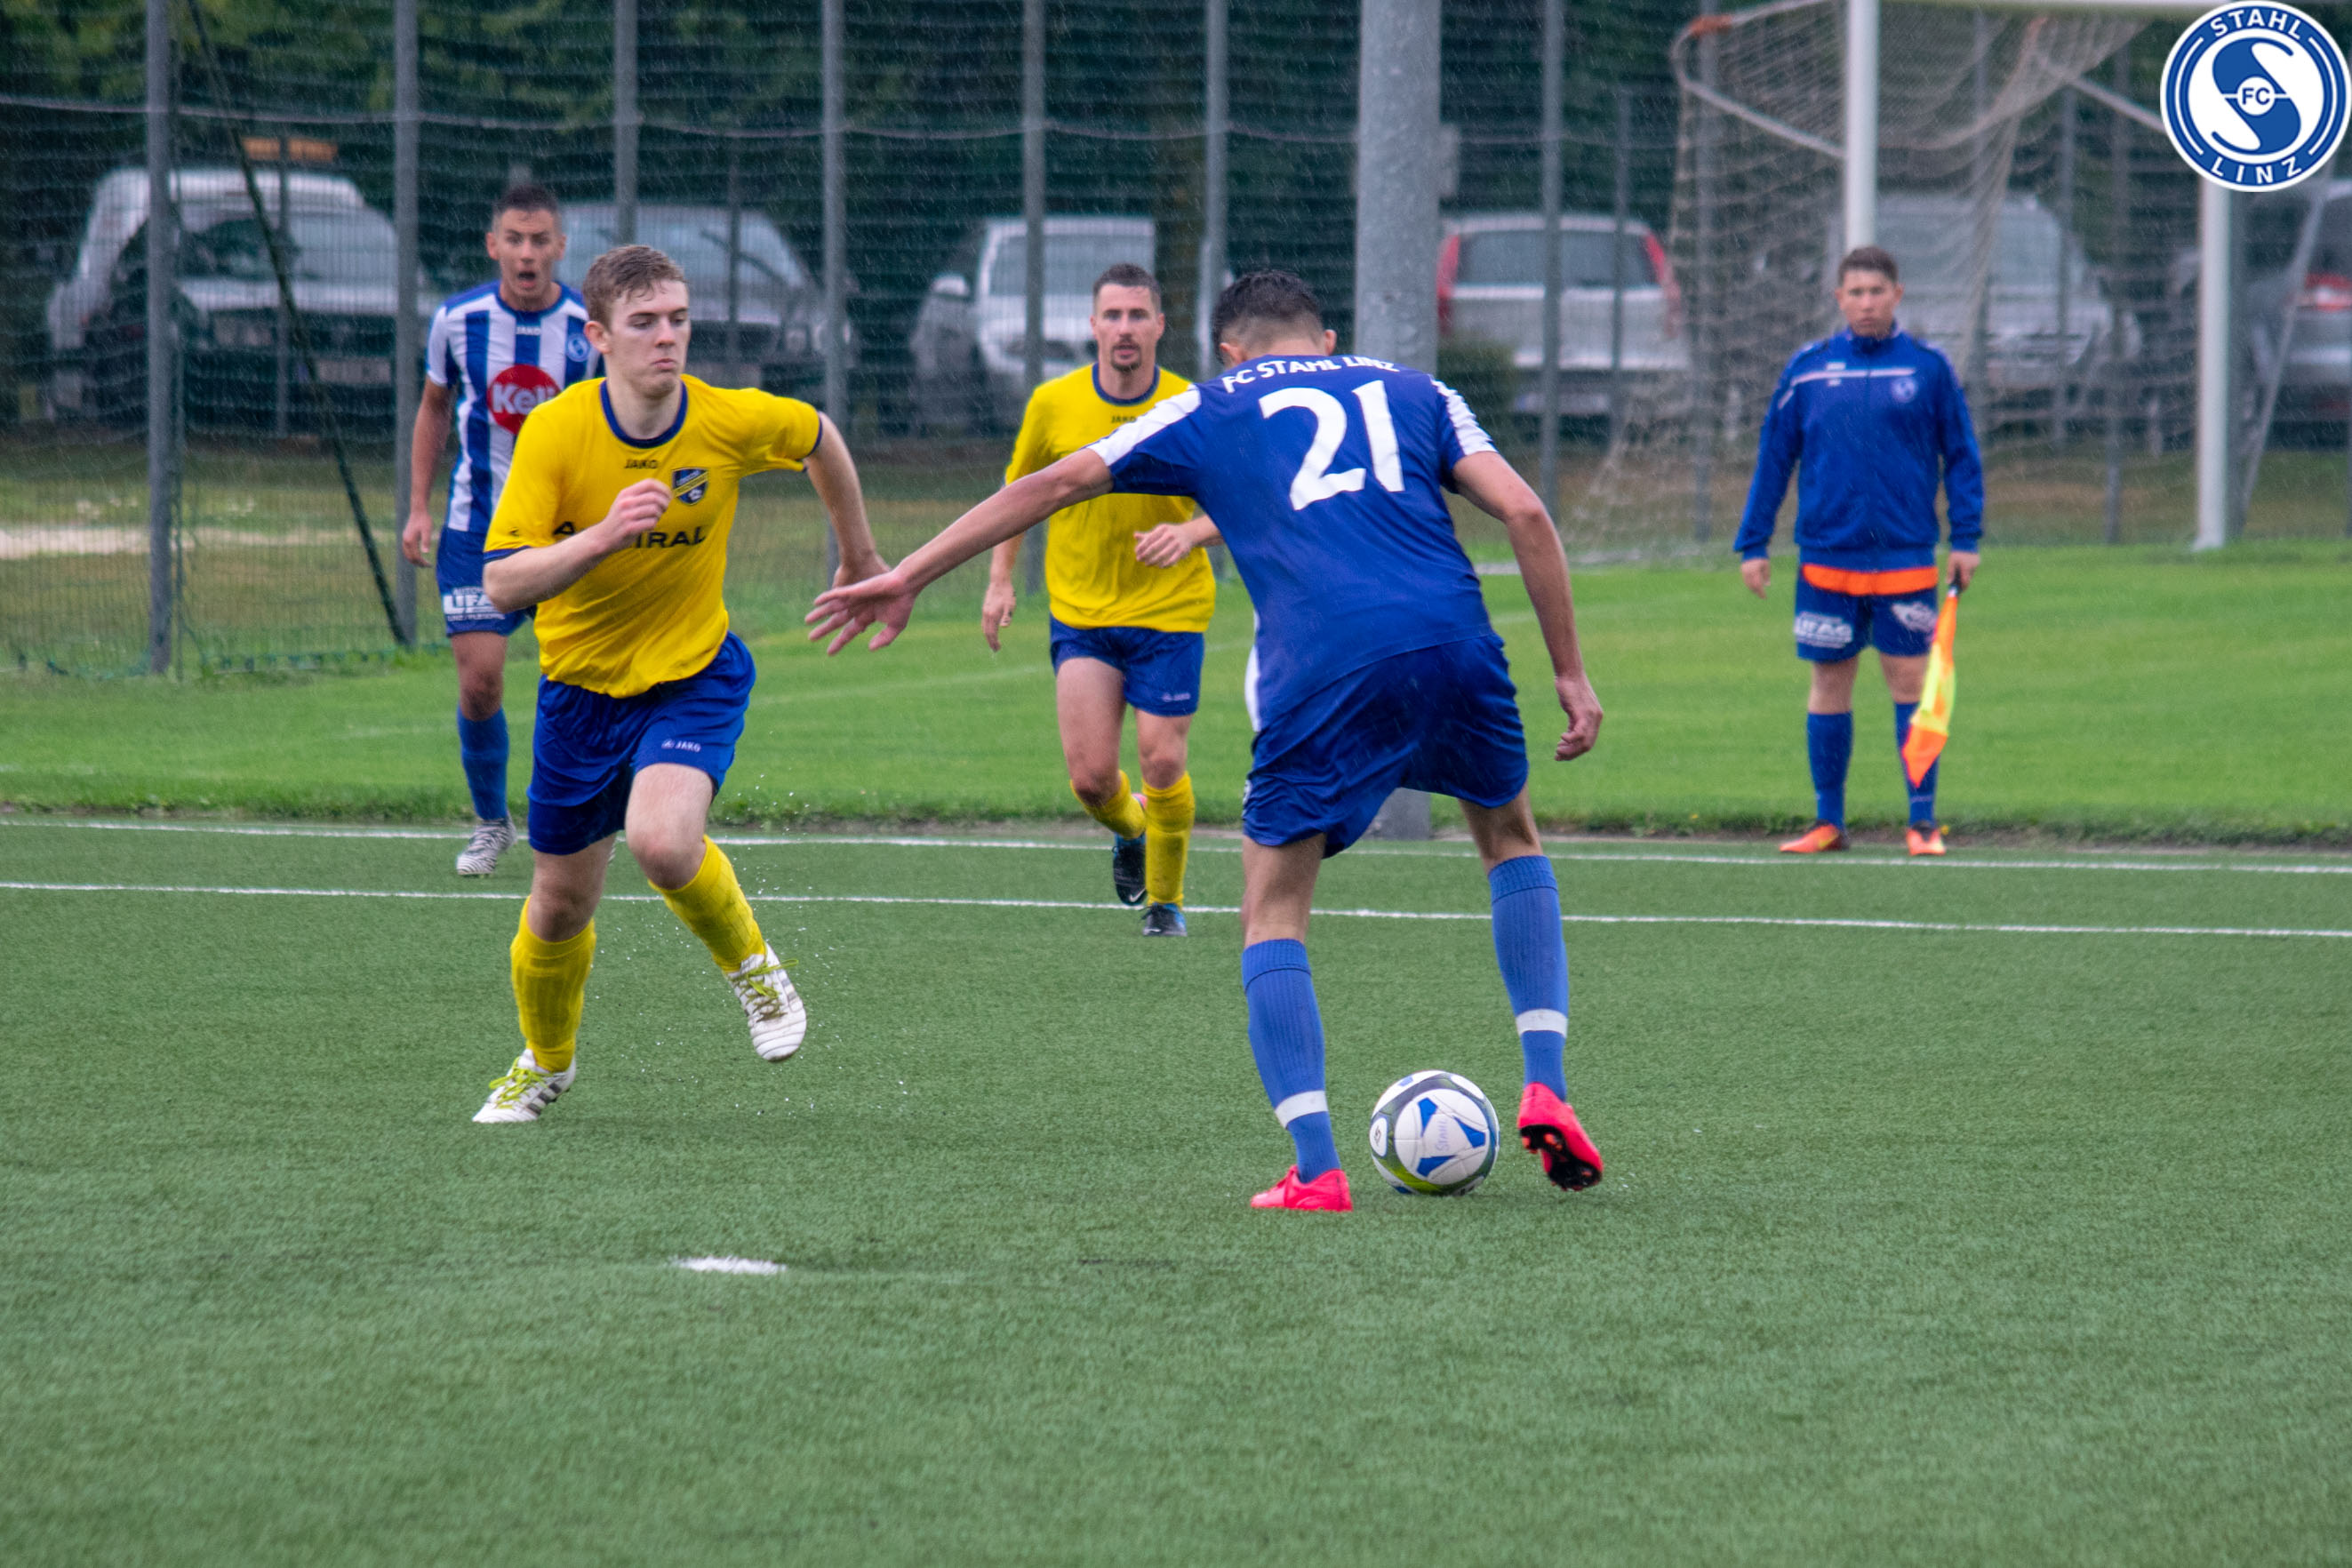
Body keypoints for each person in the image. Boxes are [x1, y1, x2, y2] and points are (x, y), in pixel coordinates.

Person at [809, 270, 1607, 1212]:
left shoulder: (1211, 403)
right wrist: (1569, 671)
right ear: (1326, 338)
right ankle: (1547, 1083)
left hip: (1325, 663)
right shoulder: (1418, 389)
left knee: (1273, 910)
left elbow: (1058, 482)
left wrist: (909, 573)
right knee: (1509, 839)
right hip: (1456, 640)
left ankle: (1317, 1169)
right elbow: (1524, 512)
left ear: (1229, 350)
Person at [468, 244, 888, 1124]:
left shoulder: (726, 419)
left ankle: (758, 974)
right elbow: (502, 584)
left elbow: (817, 436)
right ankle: (546, 1063)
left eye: (679, 320)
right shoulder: (557, 432)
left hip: (693, 676)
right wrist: (602, 537)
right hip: (579, 698)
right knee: (558, 907)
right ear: (598, 337)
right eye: (644, 323)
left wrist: (859, 556)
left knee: (662, 843)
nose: (667, 338)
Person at [980, 263, 1220, 934]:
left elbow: (1245, 500)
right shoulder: (1053, 404)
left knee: (1162, 759)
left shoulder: (1192, 404)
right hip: (1082, 613)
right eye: (1112, 315)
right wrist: (1000, 579)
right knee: (1091, 780)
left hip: (1169, 610)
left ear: (1160, 326)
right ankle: (1134, 829)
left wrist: (1191, 532)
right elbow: (1018, 494)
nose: (1124, 328)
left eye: (1138, 315)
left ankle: (1166, 904)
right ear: (1092, 326)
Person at [1734, 244, 1982, 857]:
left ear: (1897, 295)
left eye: (1877, 292)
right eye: (1856, 292)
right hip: (1827, 558)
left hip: (1904, 558)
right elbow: (1774, 458)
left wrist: (1966, 537)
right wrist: (1754, 542)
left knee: (1910, 682)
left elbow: (1961, 455)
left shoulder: (1928, 369)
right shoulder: (1809, 370)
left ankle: (1922, 822)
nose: (1867, 302)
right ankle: (1828, 821)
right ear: (1838, 298)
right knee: (1828, 684)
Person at [401, 184, 601, 877]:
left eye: (540, 239)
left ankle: (580, 816)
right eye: (514, 239)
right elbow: (434, 408)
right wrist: (418, 506)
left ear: (560, 247)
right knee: (481, 681)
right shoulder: (457, 320)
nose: (527, 252)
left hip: (564, 531)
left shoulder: (588, 326)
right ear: (493, 246)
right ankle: (492, 823)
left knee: (577, 679)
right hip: (477, 528)